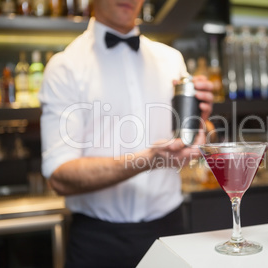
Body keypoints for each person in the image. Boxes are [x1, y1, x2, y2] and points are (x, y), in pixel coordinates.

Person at [39, 0, 214, 267]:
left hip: (170, 229)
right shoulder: (65, 67)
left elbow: (192, 139)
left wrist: (201, 127)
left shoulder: (171, 60)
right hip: (98, 241)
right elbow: (59, 176)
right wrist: (148, 159)